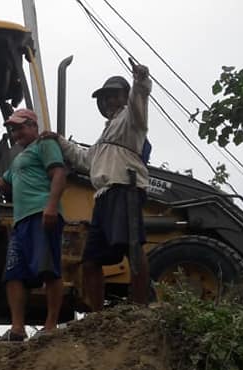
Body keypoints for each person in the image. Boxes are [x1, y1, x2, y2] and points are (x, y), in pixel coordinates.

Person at [42, 60, 152, 310]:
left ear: (124, 97)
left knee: (133, 247)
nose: (110, 101)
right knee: (91, 260)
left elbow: (140, 97)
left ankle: (141, 307)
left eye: (115, 95)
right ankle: (99, 315)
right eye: (106, 97)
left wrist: (141, 80)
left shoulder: (131, 120)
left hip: (125, 187)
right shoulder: (105, 135)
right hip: (103, 196)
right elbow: (84, 160)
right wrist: (59, 140)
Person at [0, 108, 68, 342]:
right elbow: (2, 182)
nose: (16, 133)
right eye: (13, 129)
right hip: (21, 221)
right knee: (13, 274)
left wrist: (51, 206)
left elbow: (59, 174)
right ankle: (17, 329)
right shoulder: (19, 158)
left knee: (49, 269)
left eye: (20, 128)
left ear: (33, 125)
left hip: (41, 213)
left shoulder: (45, 144)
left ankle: (51, 326)